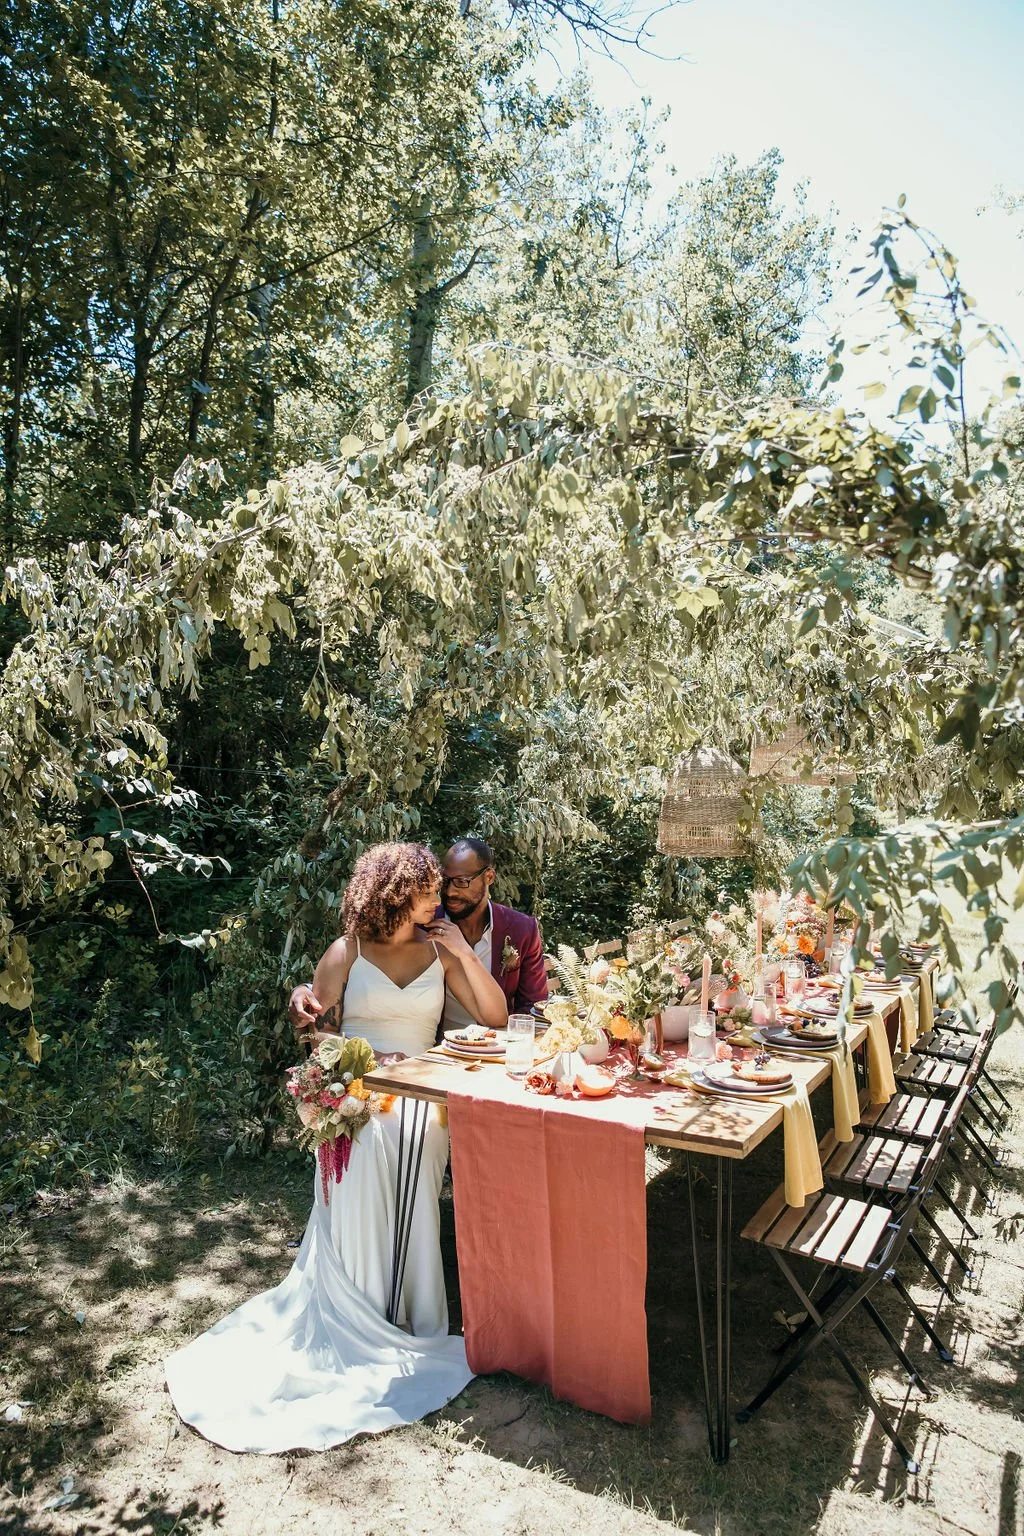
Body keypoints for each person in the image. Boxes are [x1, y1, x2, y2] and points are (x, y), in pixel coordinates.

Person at [166, 842, 507, 1454]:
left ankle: (406, 1305)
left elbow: (497, 1015)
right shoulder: (346, 951)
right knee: (372, 1134)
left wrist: (460, 950)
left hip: (422, 1095)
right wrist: (361, 1064)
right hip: (356, 1088)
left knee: (412, 1133)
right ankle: (361, 1305)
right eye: (430, 890)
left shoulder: (441, 950)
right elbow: (317, 1041)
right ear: (399, 894)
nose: (441, 899)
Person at [288, 836, 548, 1037]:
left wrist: (465, 953)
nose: (442, 898)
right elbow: (351, 985)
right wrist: (305, 989)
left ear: (488, 877)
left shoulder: (516, 930)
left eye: (460, 882)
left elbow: (521, 1011)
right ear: (397, 896)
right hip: (419, 1060)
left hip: (476, 1057)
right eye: (437, 887)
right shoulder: (418, 927)